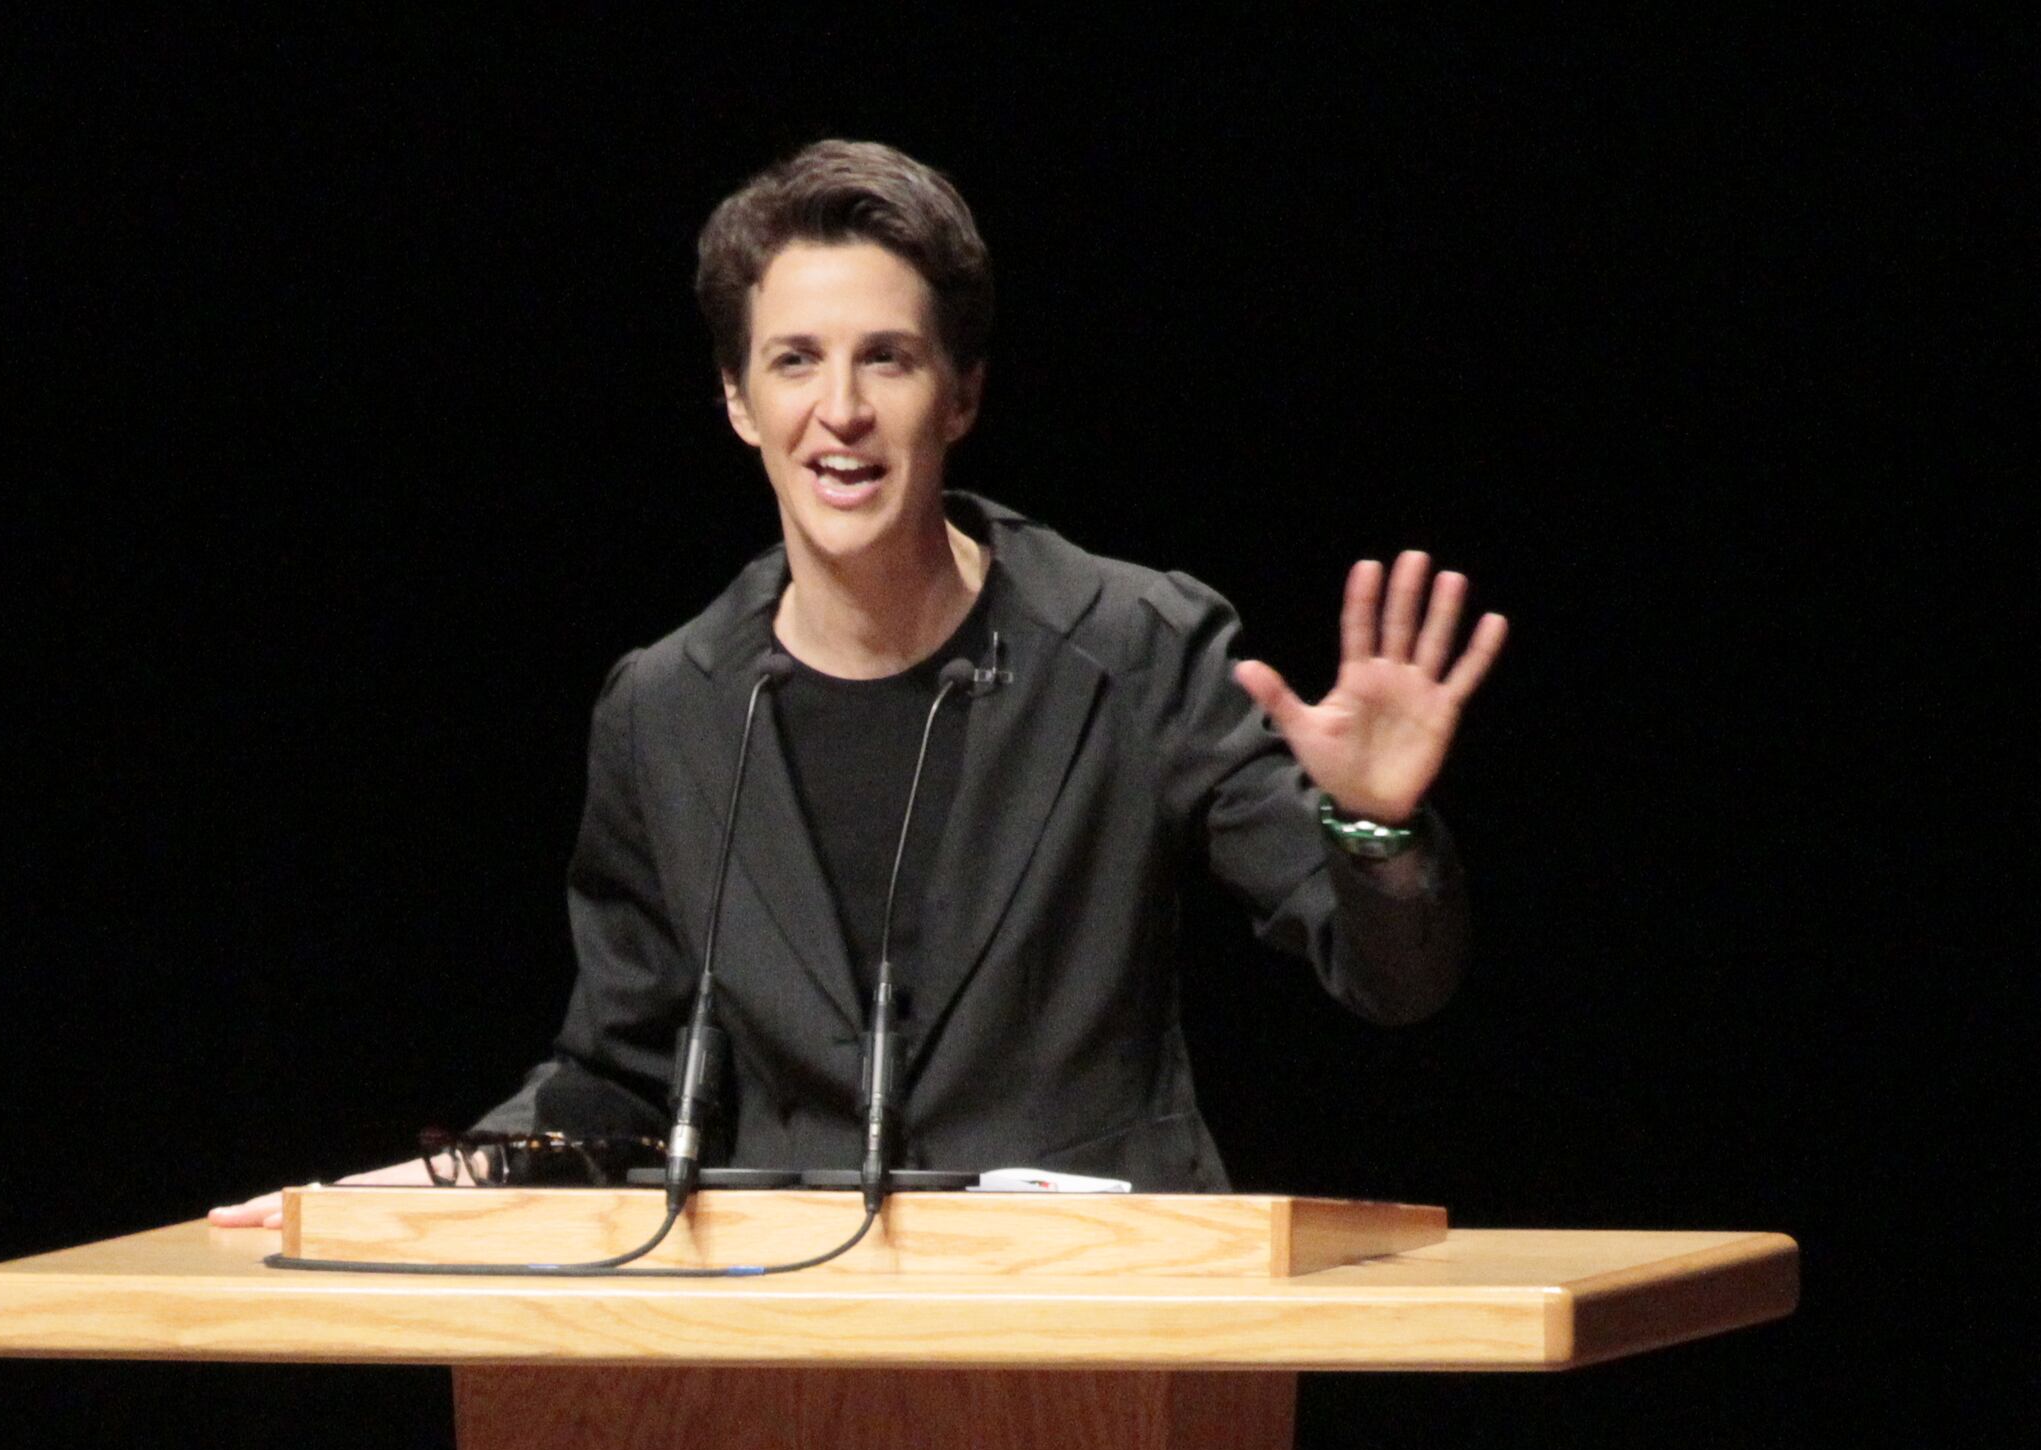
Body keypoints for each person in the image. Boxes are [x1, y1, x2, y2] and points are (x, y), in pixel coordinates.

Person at [215, 140, 1498, 1225]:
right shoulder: (667, 707)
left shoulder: (1132, 644)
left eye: (887, 358)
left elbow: (1396, 977)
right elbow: (619, 1067)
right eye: (794, 361)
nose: (840, 409)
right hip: (788, 1344)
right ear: (736, 400)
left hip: (1102, 1332)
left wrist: (1375, 826)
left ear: (960, 396)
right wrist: (409, 1193)